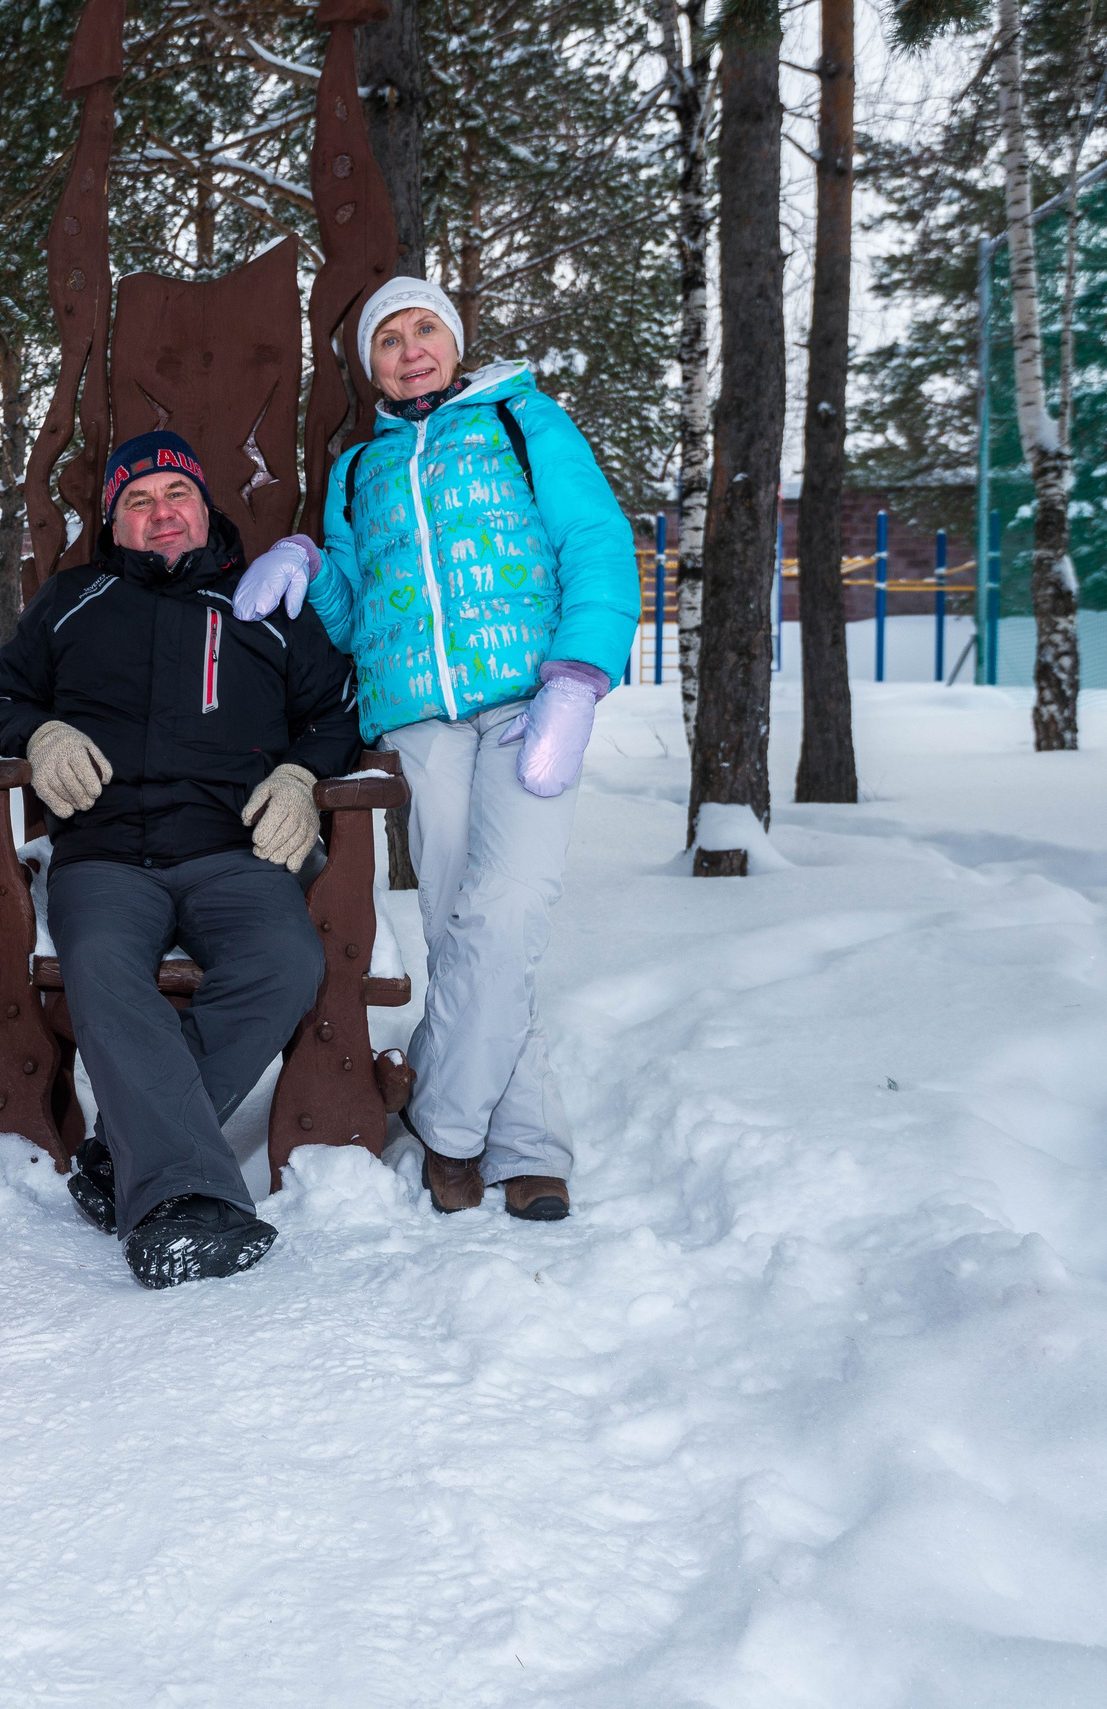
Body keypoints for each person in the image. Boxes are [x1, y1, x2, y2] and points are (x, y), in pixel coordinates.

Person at [231, 277, 639, 1222]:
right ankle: (530, 1147)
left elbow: (596, 541)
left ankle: (449, 1122)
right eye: (388, 340)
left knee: (510, 905)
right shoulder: (357, 469)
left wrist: (578, 677)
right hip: (419, 719)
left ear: (454, 342)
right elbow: (356, 613)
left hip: (529, 702)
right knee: (468, 928)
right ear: (367, 363)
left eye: (425, 330)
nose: (410, 349)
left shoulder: (523, 421)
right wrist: (309, 566)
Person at [0, 431, 361, 1290]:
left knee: (286, 959)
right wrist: (36, 732)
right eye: (138, 502)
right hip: (105, 853)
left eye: (174, 497)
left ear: (203, 504)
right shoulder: (73, 599)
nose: (160, 515)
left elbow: (338, 711)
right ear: (114, 521)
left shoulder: (263, 600)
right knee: (102, 969)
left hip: (237, 850)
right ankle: (184, 1203)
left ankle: (123, 1153)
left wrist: (303, 776)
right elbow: (2, 693)